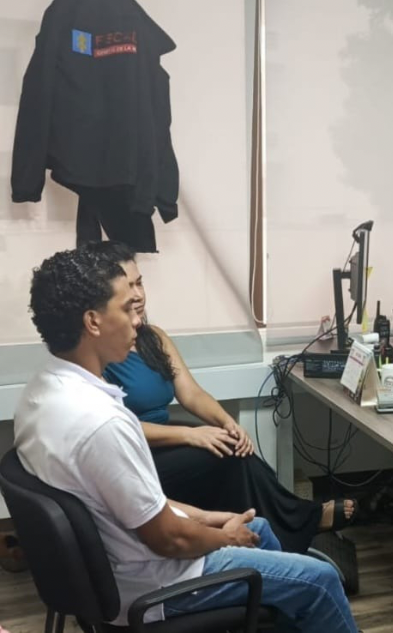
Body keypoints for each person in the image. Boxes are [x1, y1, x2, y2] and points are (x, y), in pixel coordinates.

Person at [14, 248, 357, 631]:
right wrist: (222, 537)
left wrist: (209, 518)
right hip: (156, 584)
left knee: (259, 530)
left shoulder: (41, 391)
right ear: (93, 321)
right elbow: (169, 540)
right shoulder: (103, 423)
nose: (136, 320)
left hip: (122, 566)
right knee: (321, 581)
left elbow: (132, 505)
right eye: (125, 309)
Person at [83, 241, 355, 554]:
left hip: (168, 439)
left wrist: (227, 423)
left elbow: (191, 393)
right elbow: (118, 427)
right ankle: (301, 524)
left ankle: (286, 531)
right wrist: (191, 435)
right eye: (128, 286)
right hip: (139, 455)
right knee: (228, 458)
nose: (138, 294)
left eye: (139, 282)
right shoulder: (100, 353)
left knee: (236, 446)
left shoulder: (153, 337)